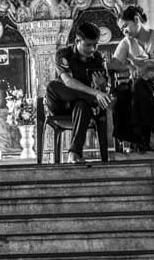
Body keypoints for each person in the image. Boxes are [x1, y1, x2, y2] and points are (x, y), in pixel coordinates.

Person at [107, 4, 154, 152]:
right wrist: (128, 66)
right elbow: (112, 65)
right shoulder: (127, 42)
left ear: (136, 19)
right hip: (140, 86)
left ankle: (142, 141)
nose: (124, 31)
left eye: (126, 26)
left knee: (137, 86)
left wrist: (148, 66)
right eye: (121, 29)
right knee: (122, 92)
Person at [44, 22, 112, 164]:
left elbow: (104, 92)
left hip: (82, 108)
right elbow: (68, 82)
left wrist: (101, 87)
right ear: (77, 41)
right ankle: (89, 100)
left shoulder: (98, 60)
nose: (92, 49)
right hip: (61, 103)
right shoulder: (63, 55)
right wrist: (95, 94)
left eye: (95, 45)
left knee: (82, 104)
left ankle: (74, 153)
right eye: (88, 45)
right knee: (52, 86)